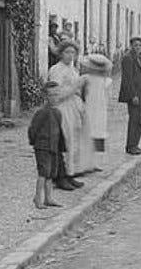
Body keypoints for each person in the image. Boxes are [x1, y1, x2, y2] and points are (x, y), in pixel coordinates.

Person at [47, 40, 94, 189]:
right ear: (61, 53)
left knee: (75, 140)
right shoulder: (56, 70)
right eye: (67, 52)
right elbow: (56, 93)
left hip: (74, 107)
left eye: (73, 52)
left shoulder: (73, 69)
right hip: (63, 107)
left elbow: (77, 90)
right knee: (65, 140)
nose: (70, 55)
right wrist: (77, 84)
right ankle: (60, 177)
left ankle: (70, 173)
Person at [28, 81, 65, 209]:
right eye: (51, 95)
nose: (55, 98)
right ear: (46, 97)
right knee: (43, 173)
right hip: (43, 147)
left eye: (57, 94)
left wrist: (61, 146)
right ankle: (38, 198)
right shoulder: (42, 113)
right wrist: (36, 142)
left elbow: (60, 131)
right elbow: (33, 129)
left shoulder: (58, 113)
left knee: (51, 174)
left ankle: (48, 198)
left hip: (53, 146)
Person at [119, 36, 141, 155]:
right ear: (131, 46)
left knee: (140, 119)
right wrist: (133, 95)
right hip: (135, 94)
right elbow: (128, 79)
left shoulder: (139, 58)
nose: (138, 48)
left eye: (140, 46)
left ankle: (136, 144)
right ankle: (131, 146)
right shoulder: (128, 58)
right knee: (135, 119)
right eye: (136, 45)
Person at [80, 53, 113, 170]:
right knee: (88, 133)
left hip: (100, 109)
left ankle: (98, 161)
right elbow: (82, 95)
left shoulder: (106, 81)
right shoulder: (86, 79)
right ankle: (87, 161)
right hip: (89, 108)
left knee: (99, 133)